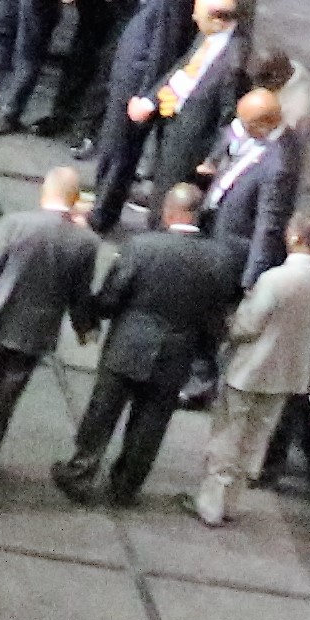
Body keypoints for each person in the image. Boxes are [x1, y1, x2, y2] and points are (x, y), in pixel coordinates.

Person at [52, 178, 245, 504]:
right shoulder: (220, 260)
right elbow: (216, 317)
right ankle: (125, 487)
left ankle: (80, 473)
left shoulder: (142, 247)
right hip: (176, 354)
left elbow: (112, 296)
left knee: (102, 413)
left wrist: (92, 317)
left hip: (129, 344)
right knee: (151, 425)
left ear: (170, 212)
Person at [0, 162, 102, 476]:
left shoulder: (15, 224)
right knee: (6, 399)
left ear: (46, 191)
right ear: (73, 198)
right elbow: (79, 296)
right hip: (36, 335)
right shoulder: (86, 243)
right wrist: (86, 330)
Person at [189, 227, 310, 526]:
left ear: (296, 238)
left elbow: (248, 324)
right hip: (290, 370)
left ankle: (211, 503)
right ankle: (232, 503)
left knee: (229, 433)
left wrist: (228, 328)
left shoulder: (275, 279)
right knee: (257, 436)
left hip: (251, 368)